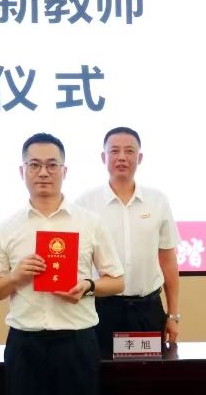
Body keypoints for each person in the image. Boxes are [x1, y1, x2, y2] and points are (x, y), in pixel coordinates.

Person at [0, 133, 125, 395]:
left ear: (64, 171)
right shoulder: (8, 227)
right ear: (22, 171)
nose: (43, 173)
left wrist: (88, 287)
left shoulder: (90, 222)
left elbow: (117, 281)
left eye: (51, 165)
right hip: (26, 344)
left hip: (76, 343)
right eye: (34, 165)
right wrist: (16, 277)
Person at [76, 126, 181, 358]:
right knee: (100, 373)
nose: (122, 157)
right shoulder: (85, 203)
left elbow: (168, 261)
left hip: (147, 310)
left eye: (129, 151)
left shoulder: (158, 201)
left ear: (139, 158)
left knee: (146, 376)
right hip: (100, 309)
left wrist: (173, 314)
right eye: (114, 151)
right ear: (103, 157)